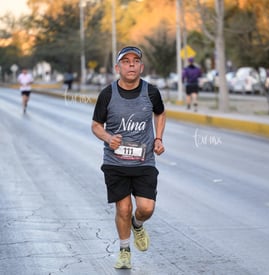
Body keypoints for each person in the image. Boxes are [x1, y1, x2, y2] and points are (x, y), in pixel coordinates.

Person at [91, 46, 166, 269]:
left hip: (144, 161)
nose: (131, 64)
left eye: (135, 61)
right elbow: (96, 125)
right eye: (126, 61)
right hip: (116, 163)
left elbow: (160, 113)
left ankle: (138, 224)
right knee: (123, 209)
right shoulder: (107, 94)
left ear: (141, 67)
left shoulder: (151, 92)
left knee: (146, 208)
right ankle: (124, 251)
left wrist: (159, 138)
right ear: (118, 67)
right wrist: (108, 137)